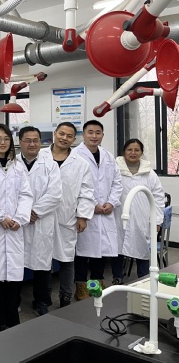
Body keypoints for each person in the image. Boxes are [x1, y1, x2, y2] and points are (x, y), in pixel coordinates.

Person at [0, 124, 33, 333]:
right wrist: (0, 217)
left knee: (13, 277)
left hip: (14, 228)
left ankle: (12, 316)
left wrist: (19, 218)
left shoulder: (17, 166)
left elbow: (26, 194)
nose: (2, 142)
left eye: (6, 139)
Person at [41, 122, 94, 307]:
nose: (64, 138)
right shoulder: (41, 156)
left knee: (67, 259)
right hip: (42, 215)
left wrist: (83, 216)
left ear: (74, 139)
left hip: (67, 216)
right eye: (61, 134)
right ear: (55, 133)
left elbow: (86, 192)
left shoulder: (81, 163)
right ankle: (44, 297)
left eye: (69, 136)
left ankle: (66, 296)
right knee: (43, 259)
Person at [72, 120, 123, 299]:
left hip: (106, 210)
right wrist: (91, 205)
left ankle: (97, 281)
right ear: (83, 135)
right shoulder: (75, 156)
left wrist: (111, 202)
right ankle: (80, 285)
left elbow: (117, 182)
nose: (94, 136)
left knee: (101, 250)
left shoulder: (108, 156)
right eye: (90, 132)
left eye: (98, 132)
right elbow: (74, 185)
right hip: (85, 211)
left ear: (102, 135)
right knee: (82, 251)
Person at [16, 126, 62, 316]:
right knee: (15, 262)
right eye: (28, 140)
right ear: (20, 142)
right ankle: (14, 301)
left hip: (41, 220)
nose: (32, 144)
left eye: (36, 140)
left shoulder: (50, 165)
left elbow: (55, 193)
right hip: (18, 221)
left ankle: (42, 301)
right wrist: (23, 212)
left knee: (42, 263)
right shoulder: (12, 164)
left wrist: (34, 211)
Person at [111, 139, 165, 283]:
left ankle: (144, 280)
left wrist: (157, 221)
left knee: (142, 248)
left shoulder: (149, 173)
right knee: (117, 248)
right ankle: (117, 277)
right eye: (129, 149)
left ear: (141, 153)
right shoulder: (115, 169)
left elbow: (158, 197)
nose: (133, 153)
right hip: (118, 215)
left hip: (142, 217)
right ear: (124, 152)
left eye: (137, 150)